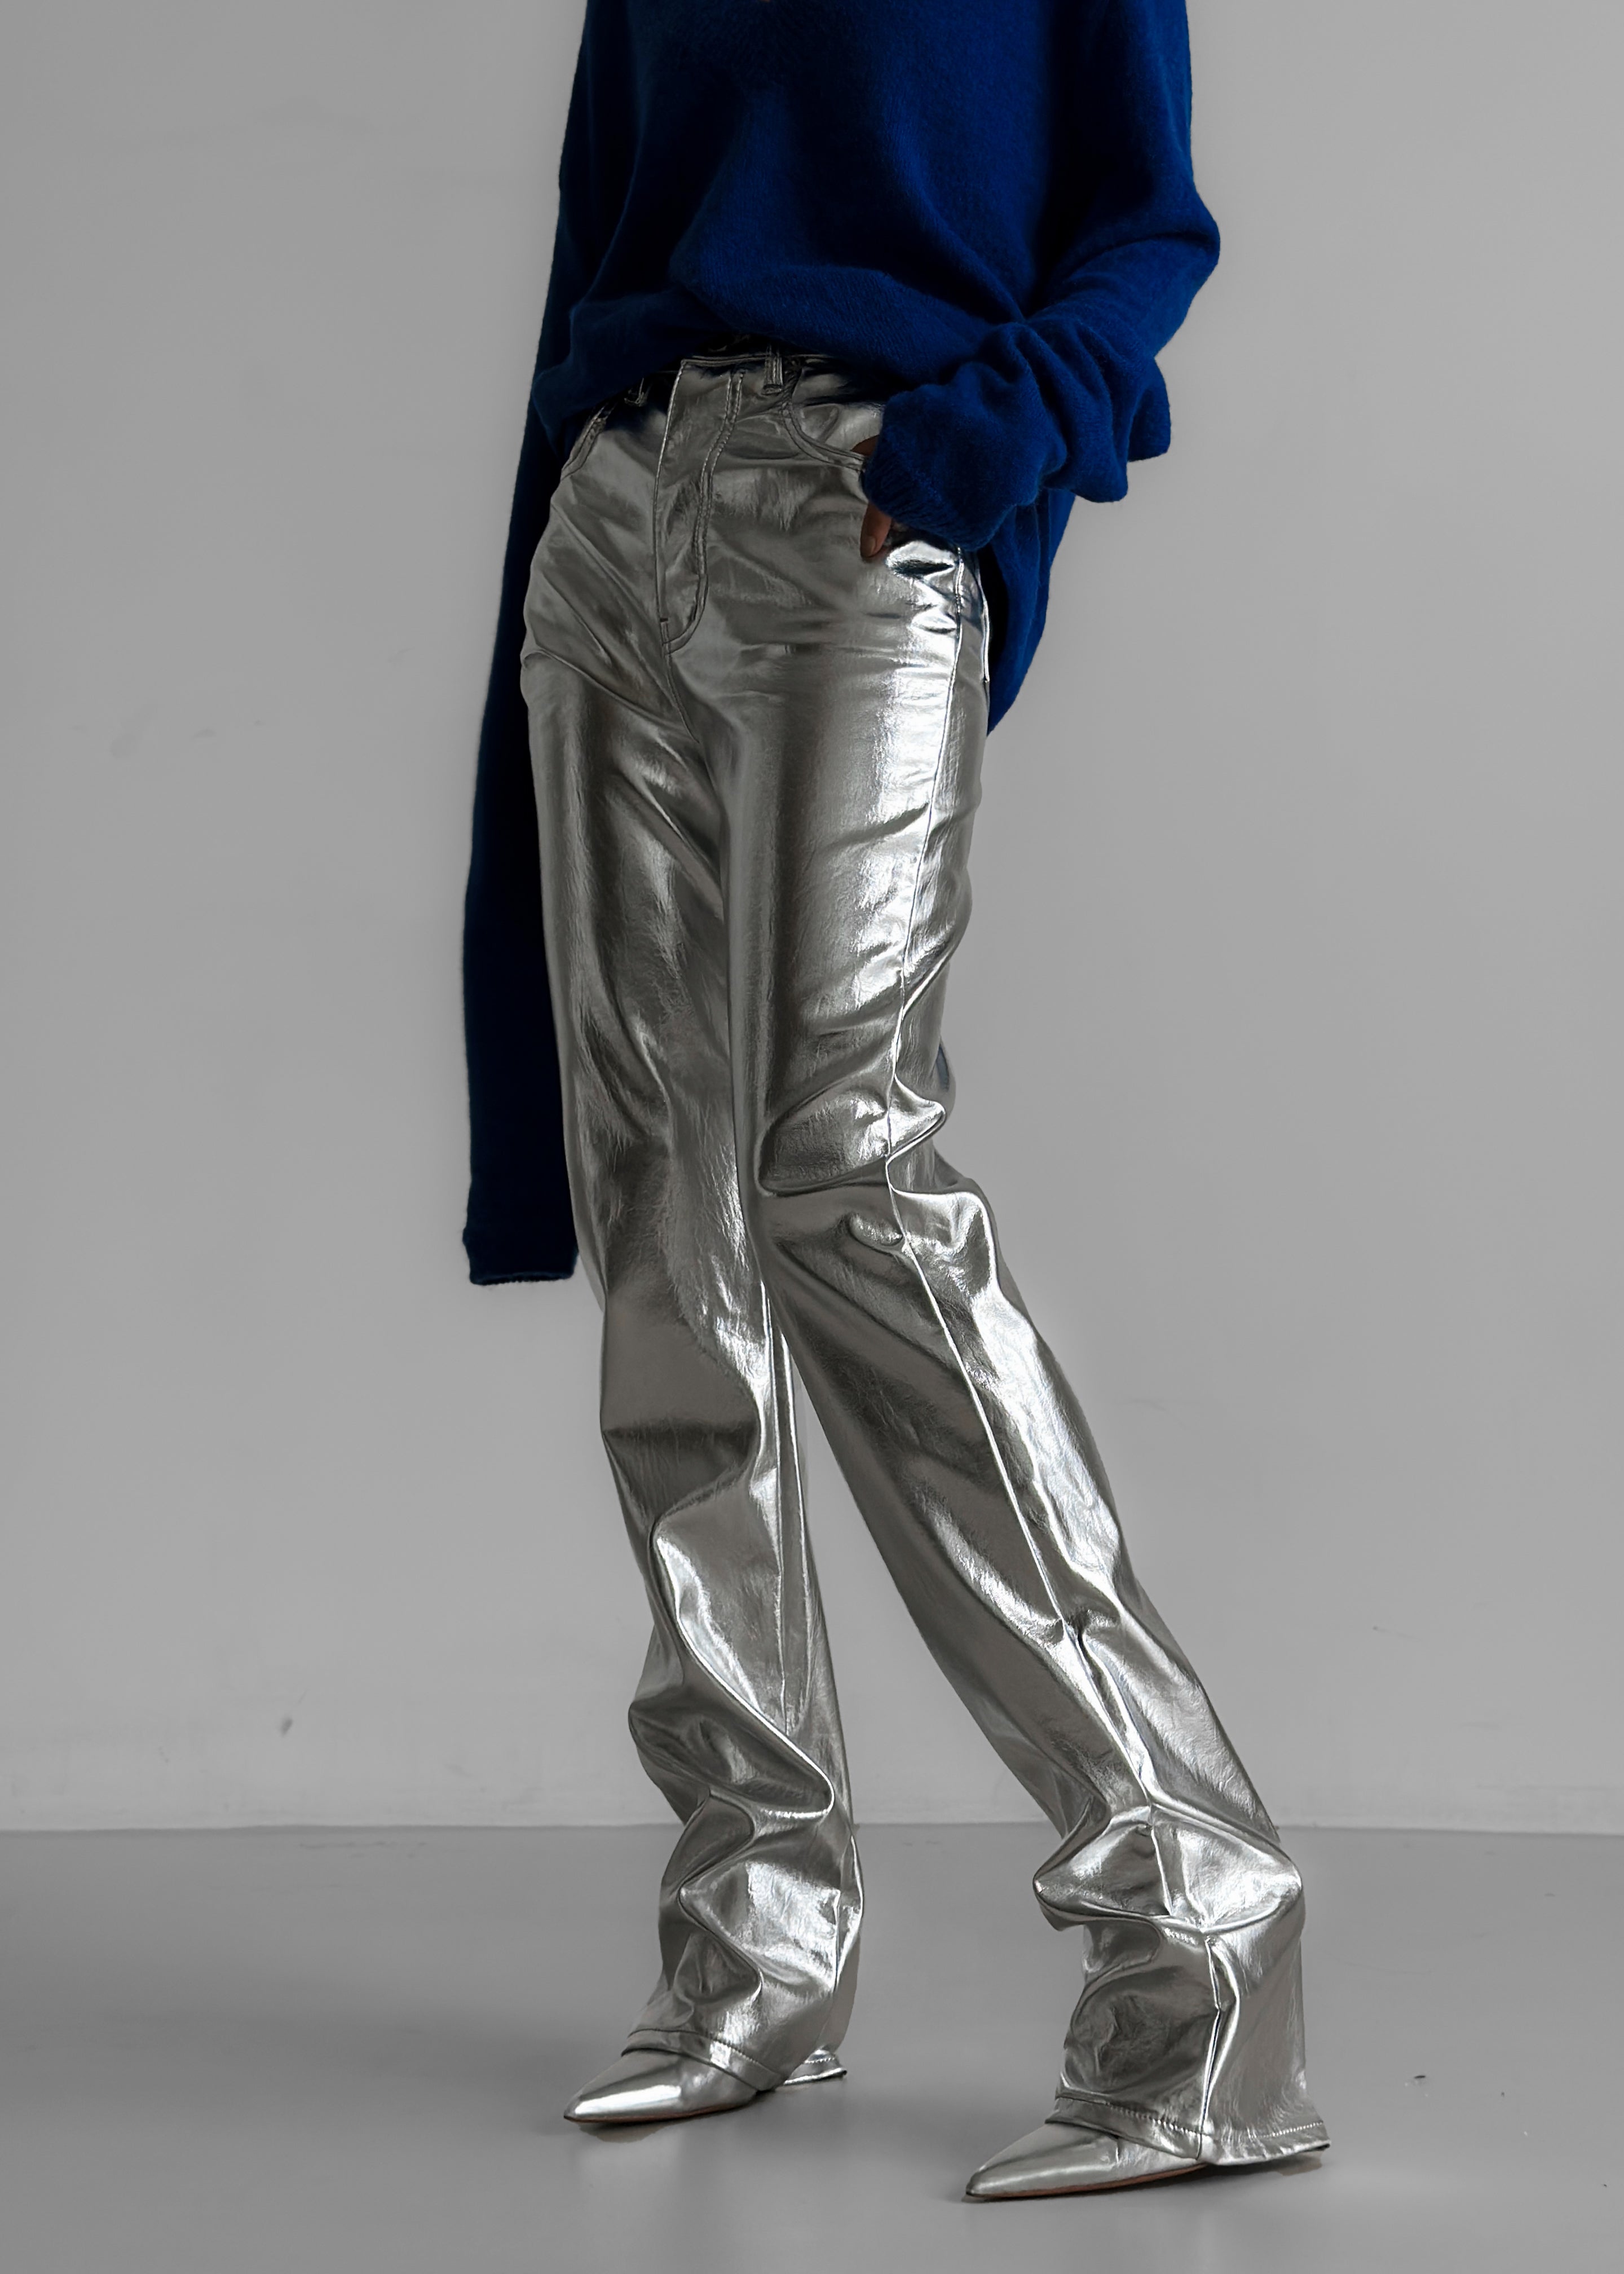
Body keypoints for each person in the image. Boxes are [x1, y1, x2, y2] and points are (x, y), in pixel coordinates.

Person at [460, 0, 1329, 2202]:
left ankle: (1203, 1946)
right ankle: (754, 1938)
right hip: (616, 526)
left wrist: (966, 452)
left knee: (839, 1180)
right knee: (665, 1234)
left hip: (852, 502)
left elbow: (1143, 227)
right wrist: (569, 516)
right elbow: (593, 247)